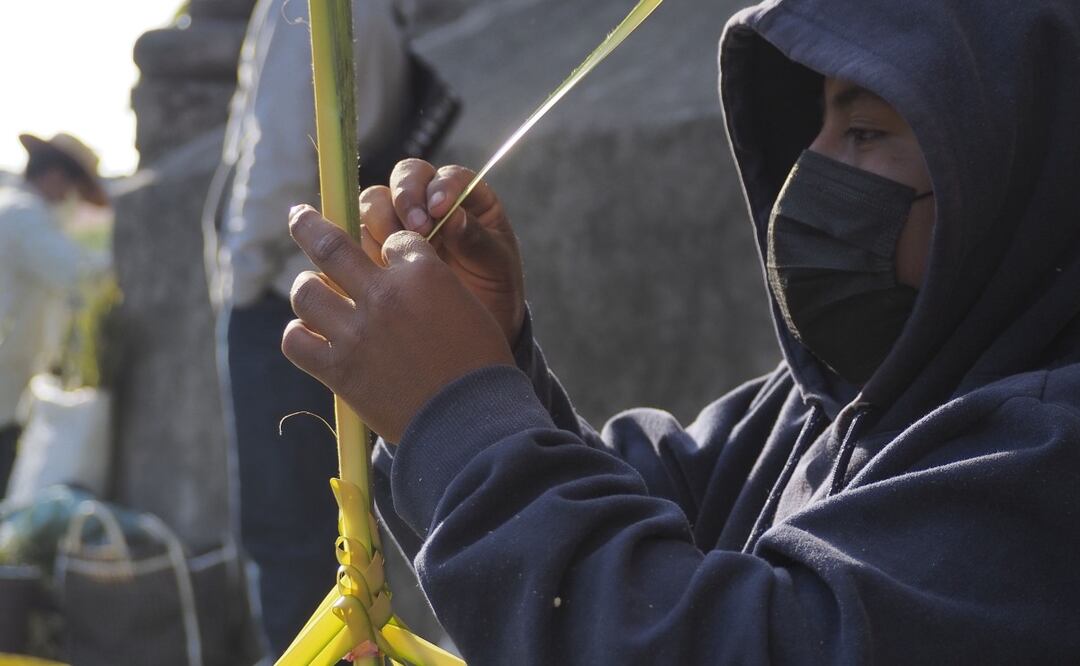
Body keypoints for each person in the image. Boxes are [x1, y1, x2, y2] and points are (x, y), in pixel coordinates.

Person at [280, 0, 1080, 662]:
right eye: (818, 126)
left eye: (863, 133)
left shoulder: (1043, 466)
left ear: (1008, 176)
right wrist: (495, 362)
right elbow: (643, 532)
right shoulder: (816, 405)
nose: (810, 169)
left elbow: (714, 641)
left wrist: (457, 413)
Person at [208, 0, 459, 654]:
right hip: (305, 291)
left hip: (287, 297)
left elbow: (284, 163)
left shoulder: (312, 9)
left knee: (295, 543)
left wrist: (246, 271)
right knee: (320, 540)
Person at [0, 133, 109, 497]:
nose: (70, 197)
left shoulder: (13, 209)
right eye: (72, 186)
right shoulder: (25, 216)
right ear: (55, 177)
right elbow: (77, 273)